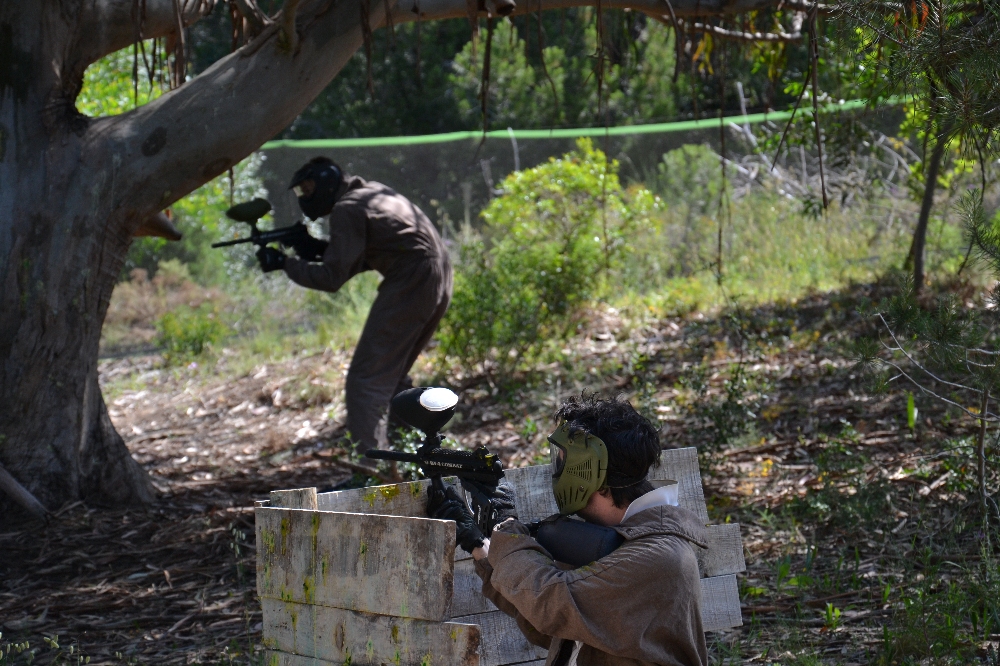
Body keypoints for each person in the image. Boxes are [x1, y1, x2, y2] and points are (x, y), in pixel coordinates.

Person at [428, 394, 709, 666]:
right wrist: (478, 543)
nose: (559, 470)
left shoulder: (658, 556)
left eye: (564, 462)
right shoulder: (635, 540)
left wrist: (506, 526)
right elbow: (559, 627)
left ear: (590, 477)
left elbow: (552, 604)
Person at [257, 157, 452, 454]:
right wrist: (317, 249)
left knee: (366, 381)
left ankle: (370, 472)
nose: (306, 198)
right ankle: (414, 456)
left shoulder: (347, 208)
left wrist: (285, 263)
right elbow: (369, 253)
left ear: (326, 182)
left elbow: (332, 278)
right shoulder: (373, 192)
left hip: (413, 277)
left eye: (308, 189)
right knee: (392, 376)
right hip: (439, 273)